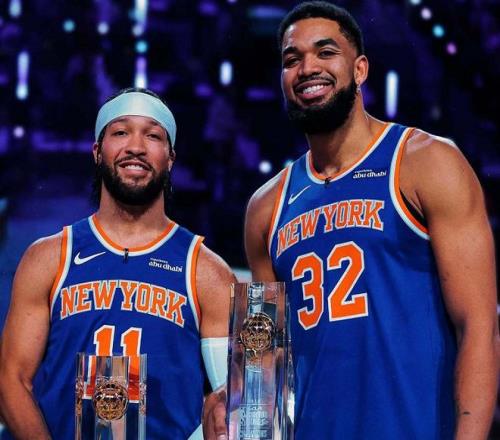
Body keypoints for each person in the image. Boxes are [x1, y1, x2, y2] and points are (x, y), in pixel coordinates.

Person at [203, 2, 499, 439]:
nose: (307, 68)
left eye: (326, 52)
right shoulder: (266, 207)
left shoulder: (426, 162)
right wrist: (234, 397)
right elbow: (265, 366)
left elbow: (479, 327)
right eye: (292, 59)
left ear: (360, 69)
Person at [0, 87, 235, 439]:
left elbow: (234, 399)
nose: (136, 146)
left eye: (152, 135)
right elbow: (11, 379)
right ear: (97, 151)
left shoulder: (207, 272)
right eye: (121, 132)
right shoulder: (48, 258)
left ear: (171, 157)